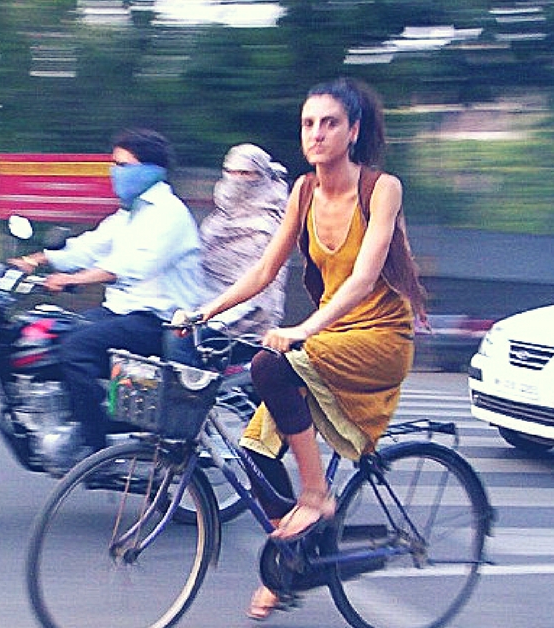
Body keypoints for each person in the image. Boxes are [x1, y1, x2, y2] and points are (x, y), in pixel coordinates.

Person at [180, 78, 428, 621]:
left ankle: (316, 497)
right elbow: (265, 269)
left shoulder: (381, 189)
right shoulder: (303, 191)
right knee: (253, 453)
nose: (316, 134)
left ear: (353, 131)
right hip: (332, 335)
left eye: (329, 122)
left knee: (272, 364)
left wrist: (303, 328)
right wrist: (204, 311)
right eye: (308, 123)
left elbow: (364, 277)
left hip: (380, 338)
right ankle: (293, 562)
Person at [9, 128, 210, 468]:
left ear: (151, 169)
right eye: (114, 165)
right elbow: (90, 247)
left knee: (77, 349)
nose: (114, 173)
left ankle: (96, 447)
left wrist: (73, 280)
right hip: (122, 311)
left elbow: (132, 265)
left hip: (160, 321)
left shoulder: (168, 213)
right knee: (53, 336)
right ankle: (89, 417)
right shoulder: (130, 214)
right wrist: (38, 260)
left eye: (123, 165)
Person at [201, 143, 288, 337]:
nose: (236, 179)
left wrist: (212, 318)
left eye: (246, 173)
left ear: (262, 177)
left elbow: (264, 294)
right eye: (230, 172)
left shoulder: (269, 227)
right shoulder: (216, 221)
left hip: (246, 320)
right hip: (200, 305)